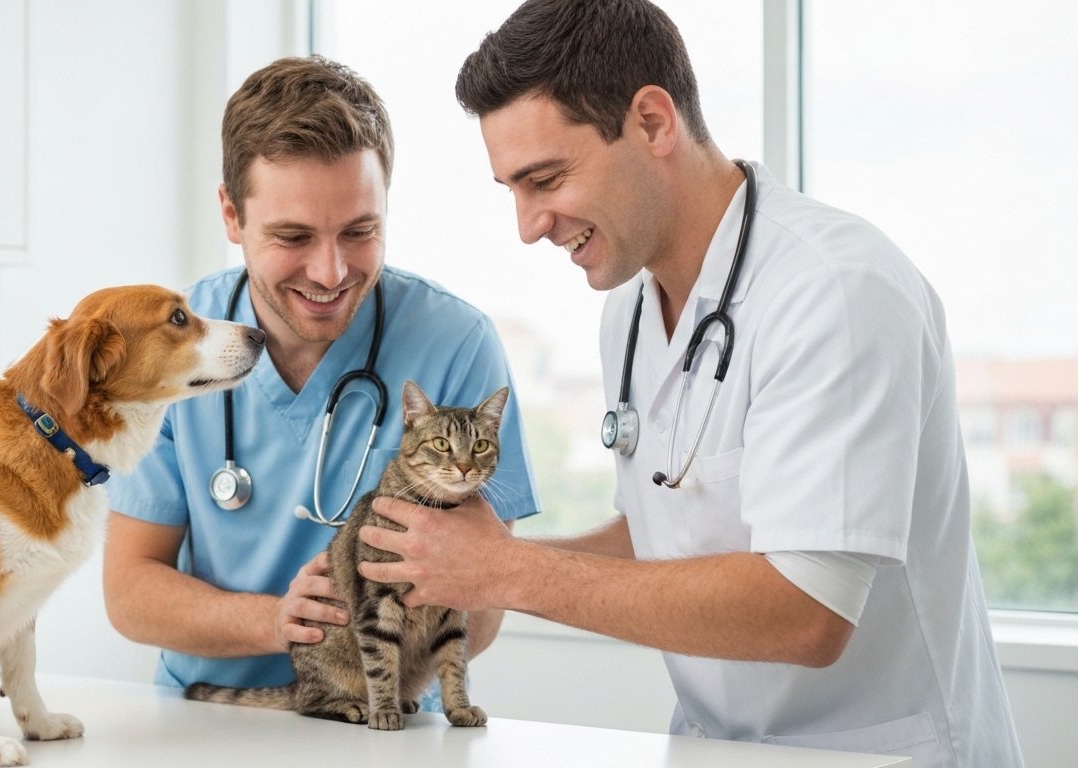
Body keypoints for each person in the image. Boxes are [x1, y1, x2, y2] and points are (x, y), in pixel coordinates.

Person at [356, 1, 1024, 765]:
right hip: (714, 749)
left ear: (651, 122)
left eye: (544, 179)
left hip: (875, 751)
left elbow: (804, 615)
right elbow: (665, 533)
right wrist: (452, 561)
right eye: (511, 188)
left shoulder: (835, 290)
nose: (528, 225)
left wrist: (505, 569)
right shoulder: (629, 314)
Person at [102, 55, 540, 707]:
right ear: (231, 215)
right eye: (293, 236)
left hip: (376, 718)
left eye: (360, 231)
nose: (331, 272)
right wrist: (279, 622)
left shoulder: (454, 344)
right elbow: (130, 593)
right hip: (206, 715)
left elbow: (484, 605)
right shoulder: (168, 349)